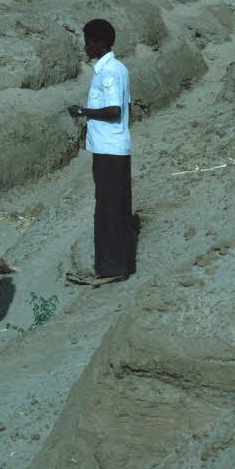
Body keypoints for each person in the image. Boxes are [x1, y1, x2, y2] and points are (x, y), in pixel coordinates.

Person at [67, 19, 134, 284]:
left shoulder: (110, 72)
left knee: (110, 209)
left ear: (101, 42)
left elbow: (114, 110)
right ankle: (112, 266)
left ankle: (113, 269)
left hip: (110, 151)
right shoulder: (111, 69)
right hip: (109, 149)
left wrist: (83, 112)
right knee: (110, 207)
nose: (86, 46)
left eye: (89, 41)